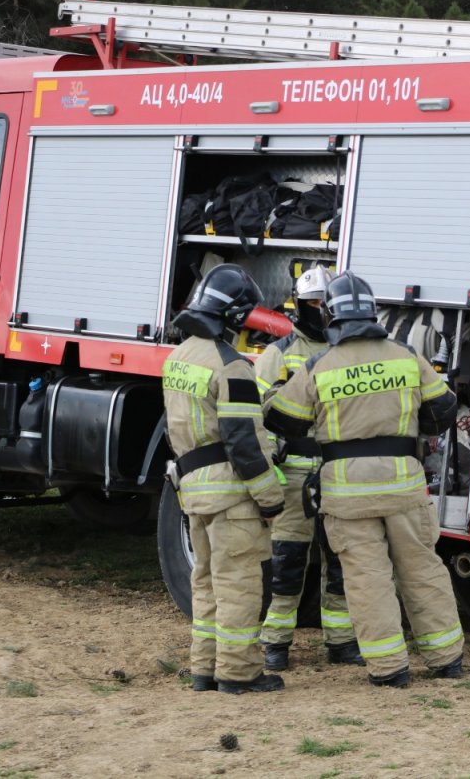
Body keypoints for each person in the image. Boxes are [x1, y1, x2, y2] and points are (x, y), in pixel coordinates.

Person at [266, 271, 464, 688]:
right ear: (372, 312)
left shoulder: (320, 364)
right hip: (404, 487)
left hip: (348, 492)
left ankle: (389, 668)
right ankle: (447, 659)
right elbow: (443, 411)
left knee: (366, 578)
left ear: (330, 316)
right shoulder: (405, 355)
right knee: (421, 568)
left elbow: (284, 420)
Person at [162, 263, 287, 694]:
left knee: (206, 584)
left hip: (193, 491)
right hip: (231, 496)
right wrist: (270, 498)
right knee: (239, 586)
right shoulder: (231, 367)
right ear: (234, 316)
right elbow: (243, 443)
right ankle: (238, 673)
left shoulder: (178, 358)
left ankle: (204, 670)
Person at [254, 266, 365, 670]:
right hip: (294, 477)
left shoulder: (345, 355)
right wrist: (268, 477)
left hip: (338, 473)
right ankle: (276, 644)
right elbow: (259, 418)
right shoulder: (277, 355)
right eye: (314, 304)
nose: (321, 311)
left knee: (339, 562)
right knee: (287, 564)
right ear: (299, 306)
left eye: (326, 304)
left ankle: (340, 642)